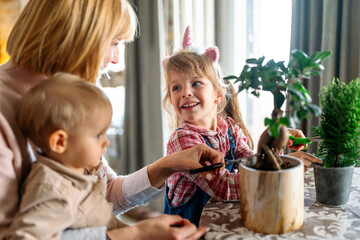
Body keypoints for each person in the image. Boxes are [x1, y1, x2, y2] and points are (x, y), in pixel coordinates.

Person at [0, 1, 223, 239]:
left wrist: (168, 165)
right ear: (77, 38)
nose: (116, 59)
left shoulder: (66, 93)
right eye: (114, 43)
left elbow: (102, 193)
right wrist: (131, 236)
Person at [161, 26, 323, 226]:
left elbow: (249, 163)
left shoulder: (228, 127)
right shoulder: (182, 139)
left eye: (195, 83)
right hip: (187, 231)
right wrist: (282, 166)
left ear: (218, 95)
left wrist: (275, 147)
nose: (185, 92)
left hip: (219, 222)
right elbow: (222, 187)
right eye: (176, 87)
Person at [6, 73, 123, 238]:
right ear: (60, 142)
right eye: (98, 135)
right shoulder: (52, 189)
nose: (106, 143)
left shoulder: (81, 170)